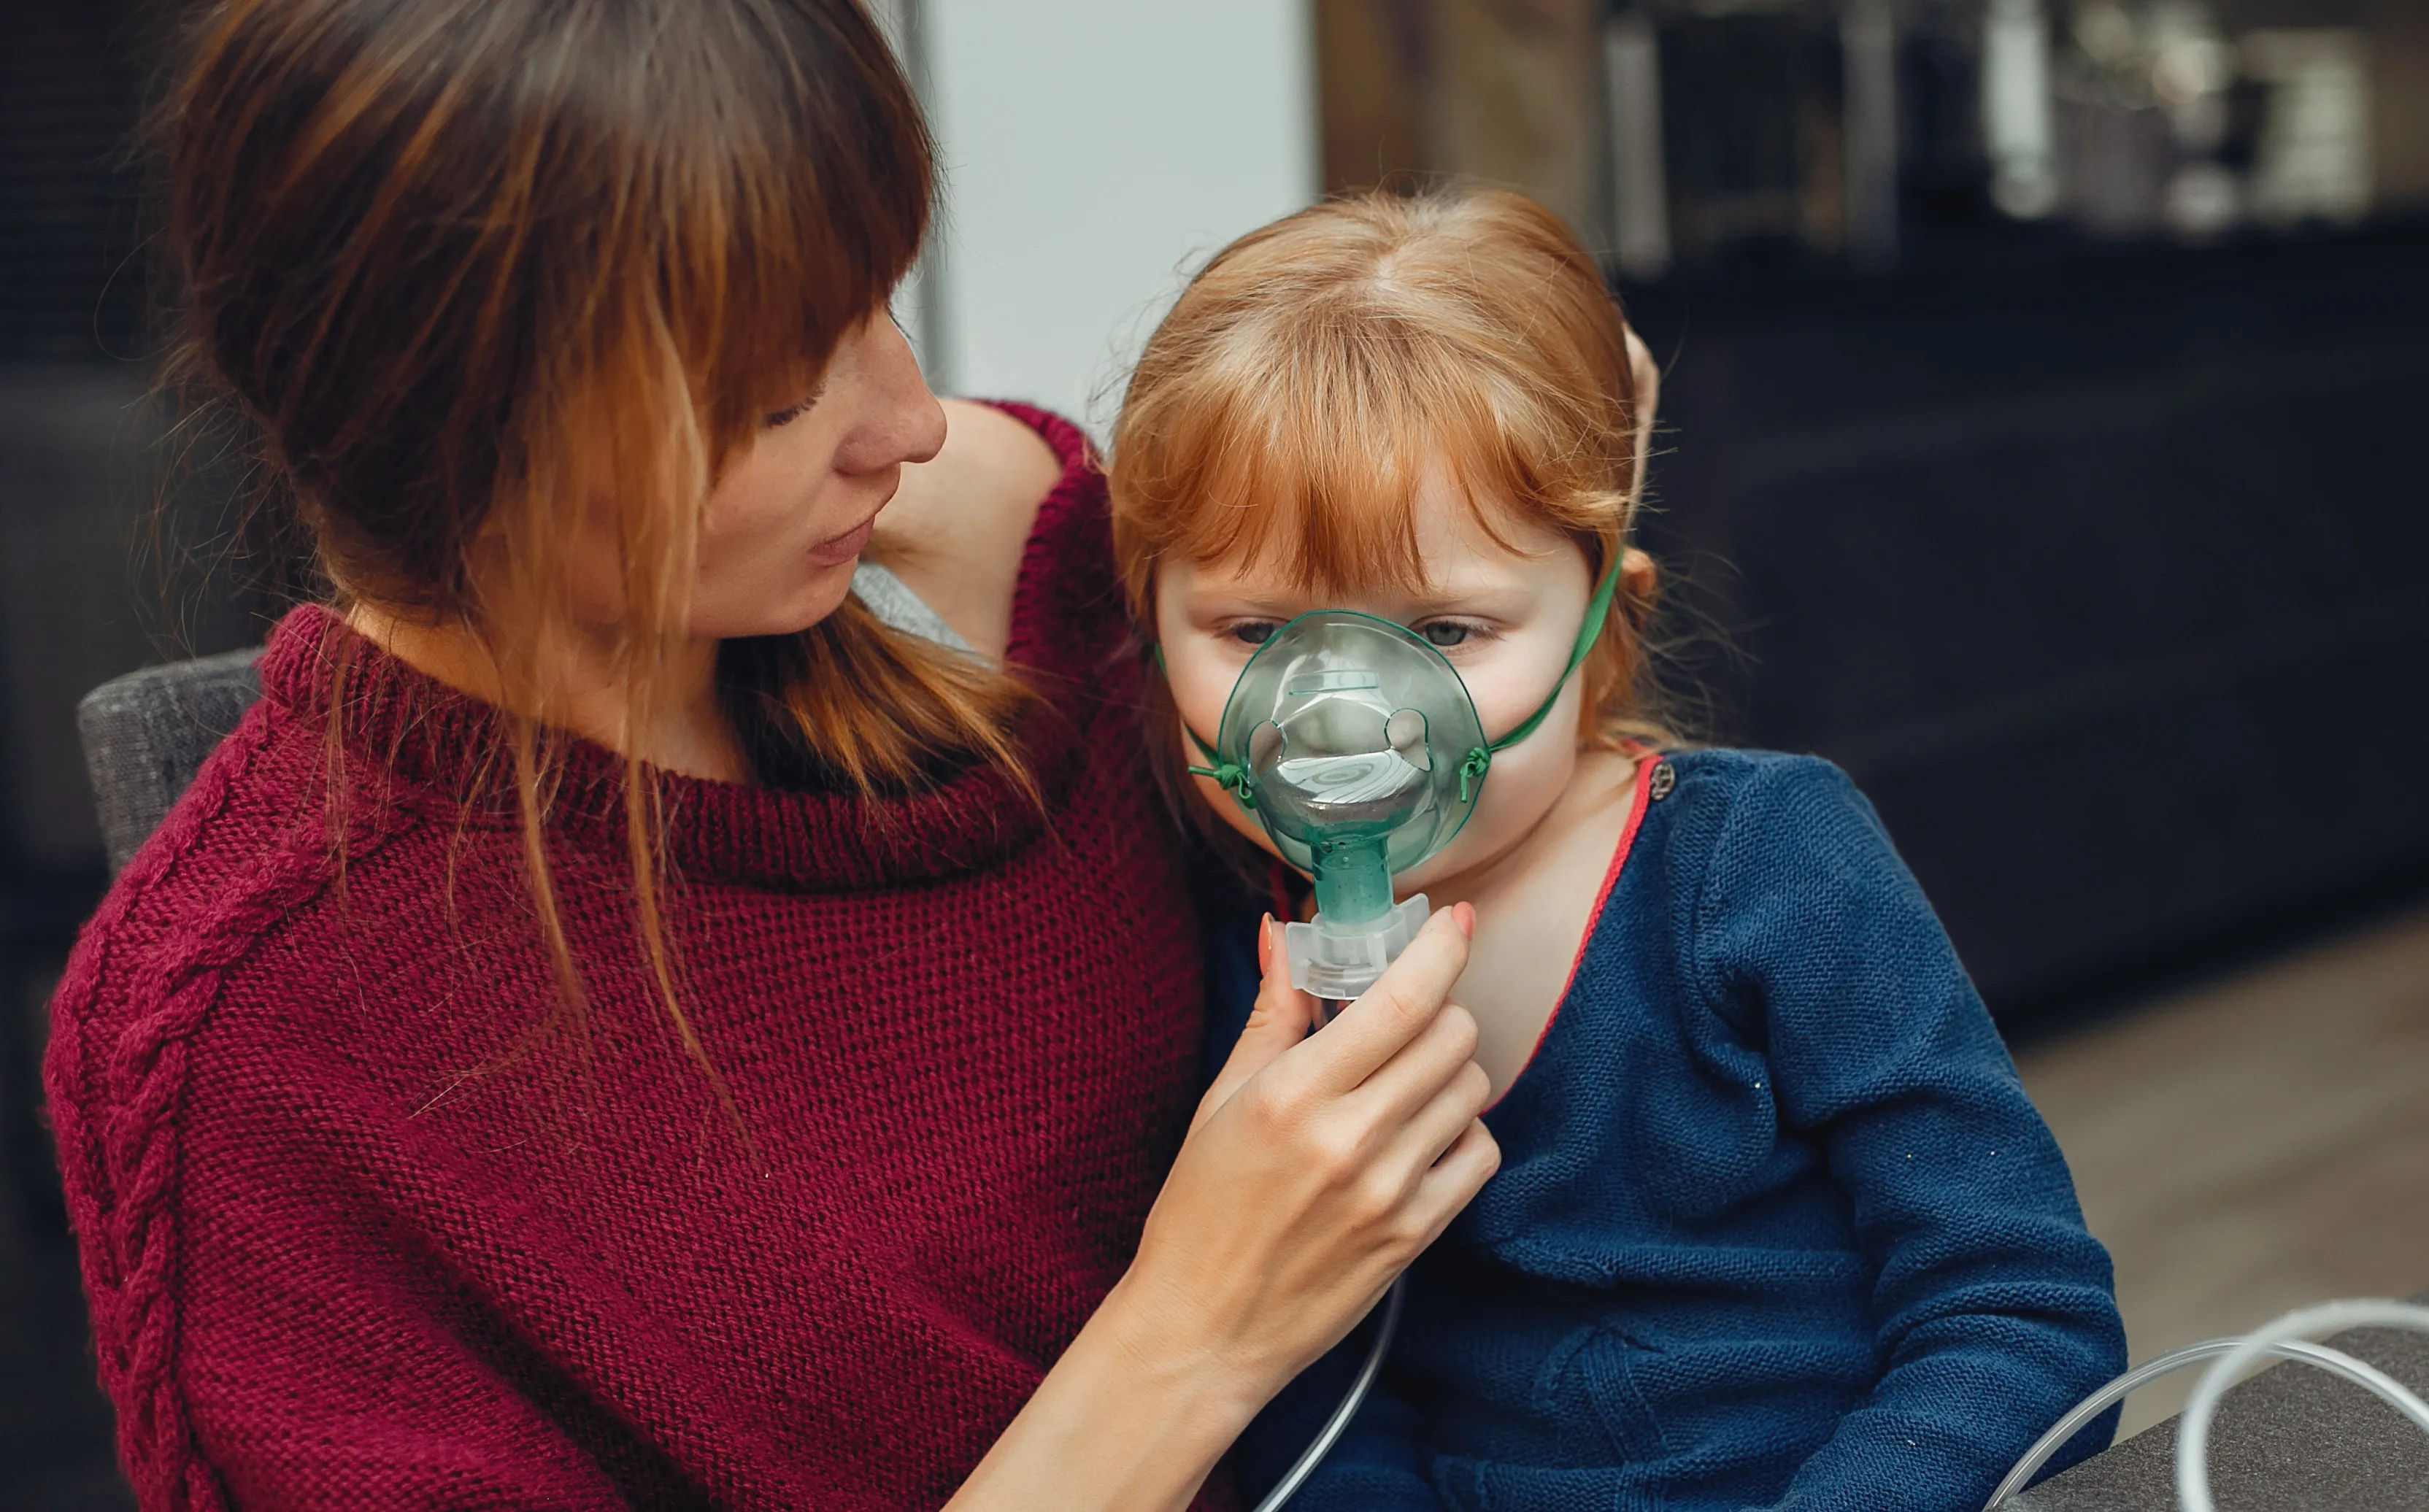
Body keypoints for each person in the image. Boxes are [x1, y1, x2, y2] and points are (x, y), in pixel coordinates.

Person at [45, 3, 1496, 1508]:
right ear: (469, 434)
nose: (913, 424)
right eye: (783, 395)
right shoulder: (248, 1046)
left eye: (880, 297)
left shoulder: (1021, 562)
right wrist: (1193, 1337)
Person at [1108, 188, 2128, 1511]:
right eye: (1256, 631)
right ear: (1147, 629)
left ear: (1607, 620)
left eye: (1449, 630)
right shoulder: (1258, 968)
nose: (1346, 713)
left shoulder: (1766, 868)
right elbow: (1323, 1409)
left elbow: (2023, 1318)